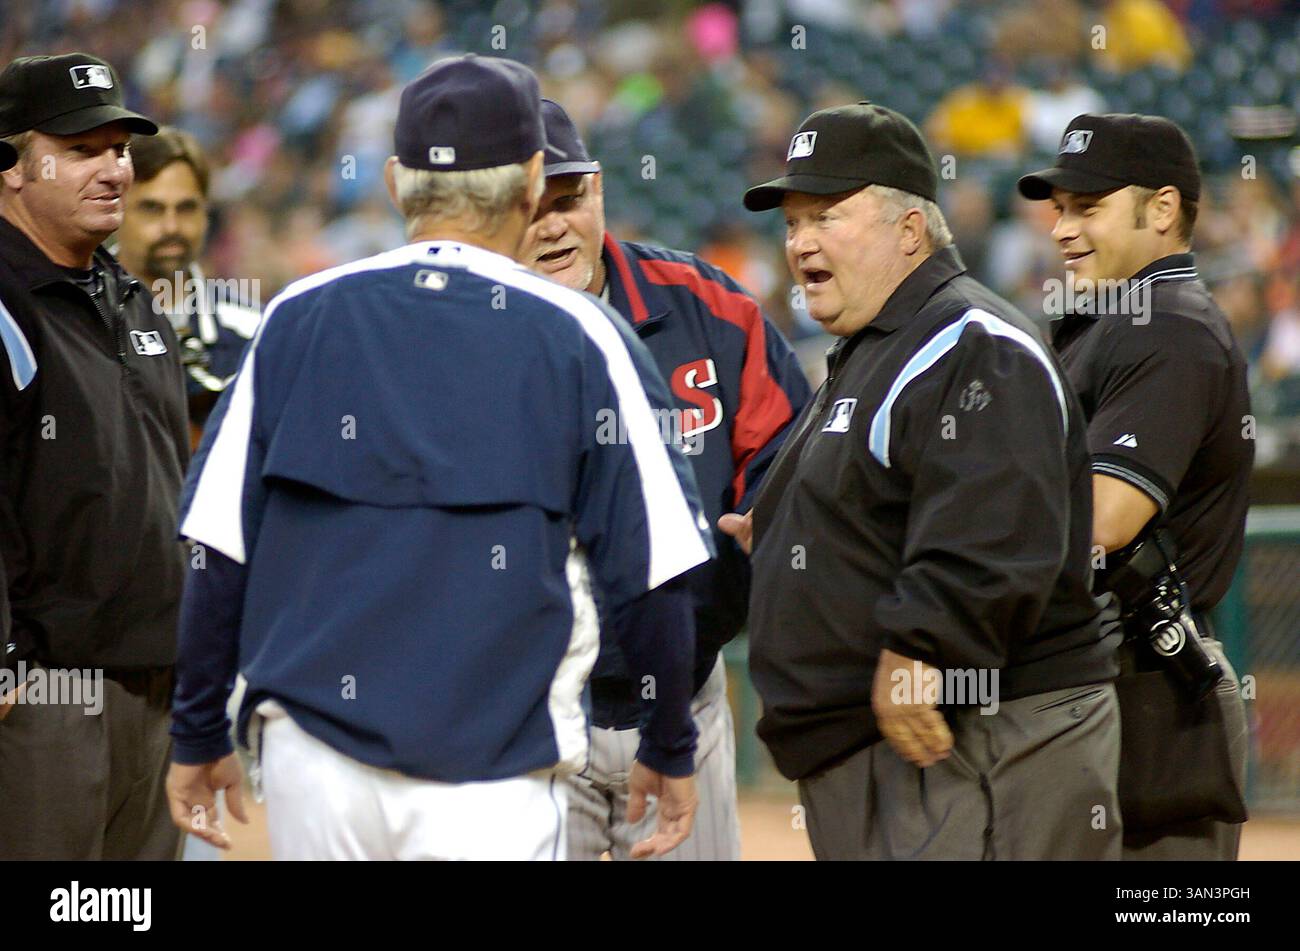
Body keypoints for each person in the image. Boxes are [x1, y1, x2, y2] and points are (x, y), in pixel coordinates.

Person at [164, 55, 714, 861]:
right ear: (533, 180)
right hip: (496, 768)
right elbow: (654, 571)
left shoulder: (296, 318)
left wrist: (196, 722)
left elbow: (217, 547)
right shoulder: (583, 334)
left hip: (313, 759)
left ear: (394, 181)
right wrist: (668, 740)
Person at [729, 101, 1122, 860]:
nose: (801, 241)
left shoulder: (973, 343)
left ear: (910, 229)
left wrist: (920, 645)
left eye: (826, 216)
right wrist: (780, 533)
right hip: (898, 747)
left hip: (978, 737)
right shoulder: (877, 343)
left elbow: (996, 528)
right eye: (791, 224)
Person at [520, 99, 811, 861]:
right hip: (533, 711)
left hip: (686, 693)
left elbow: (788, 447)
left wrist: (761, 523)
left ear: (600, 191)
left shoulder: (706, 308)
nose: (555, 225)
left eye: (570, 198)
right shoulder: (467, 336)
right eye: (531, 207)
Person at [1018, 113, 1252, 860]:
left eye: (1087, 208)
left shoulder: (1168, 325)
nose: (1061, 228)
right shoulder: (1108, 319)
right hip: (1107, 693)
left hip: (1154, 695)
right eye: (1059, 208)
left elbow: (1108, 517)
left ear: (1160, 210)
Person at [0, 53, 188, 860]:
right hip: (46, 694)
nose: (115, 169)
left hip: (155, 685)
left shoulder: (133, 298)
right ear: (12, 164)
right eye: (83, 149)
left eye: (119, 148)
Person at [116, 126, 259, 450]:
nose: (171, 227)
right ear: (117, 208)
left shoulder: (253, 332)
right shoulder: (80, 320)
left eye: (186, 208)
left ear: (206, 215)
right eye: (151, 208)